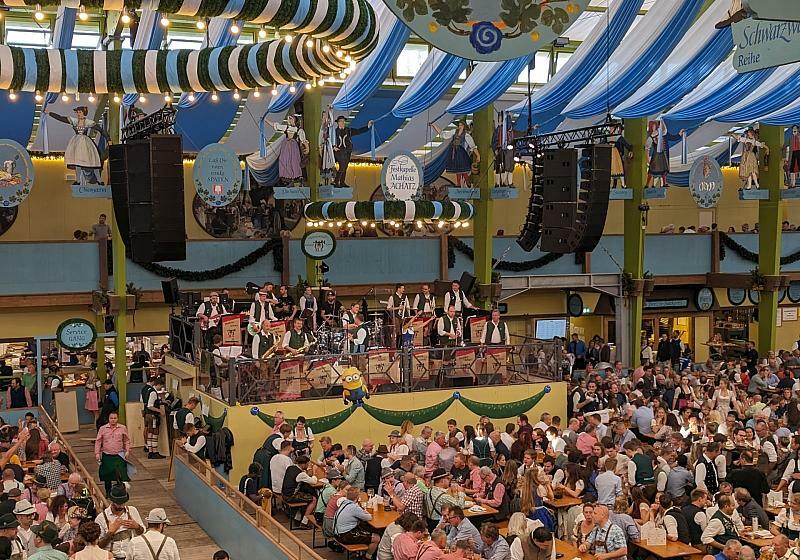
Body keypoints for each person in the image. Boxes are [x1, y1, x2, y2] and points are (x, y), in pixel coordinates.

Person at [43, 106, 109, 185]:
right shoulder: (74, 121)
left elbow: (101, 130)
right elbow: (60, 118)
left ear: (84, 113)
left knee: (92, 162)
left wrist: (108, 139)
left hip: (85, 143)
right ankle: (78, 181)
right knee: (77, 161)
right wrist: (49, 113)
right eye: (77, 112)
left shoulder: (88, 122)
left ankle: (99, 180)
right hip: (76, 143)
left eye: (80, 112)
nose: (78, 114)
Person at [96, 485, 144, 560]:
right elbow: (98, 545)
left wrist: (137, 526)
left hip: (129, 557)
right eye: (119, 503)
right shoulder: (101, 518)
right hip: (110, 558)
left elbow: (142, 532)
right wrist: (110, 533)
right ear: (112, 501)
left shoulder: (132, 511)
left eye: (123, 503)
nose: (122, 506)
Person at [429, 121, 479, 187]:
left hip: (461, 153)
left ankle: (467, 180)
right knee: (457, 168)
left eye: (461, 125)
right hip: (454, 152)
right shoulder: (454, 131)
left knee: (463, 167)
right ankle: (459, 183)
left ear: (464, 126)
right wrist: (434, 125)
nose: (460, 127)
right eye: (459, 125)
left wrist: (478, 155)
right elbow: (444, 135)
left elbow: (472, 146)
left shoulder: (466, 135)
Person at [332, 487, 379, 556]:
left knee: (365, 528)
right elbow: (369, 517)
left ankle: (362, 552)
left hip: (337, 533)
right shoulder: (354, 507)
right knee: (376, 538)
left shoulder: (344, 503)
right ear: (357, 497)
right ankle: (367, 557)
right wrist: (366, 512)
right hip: (344, 536)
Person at [329, 115, 373, 187]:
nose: (342, 122)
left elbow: (358, 131)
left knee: (345, 167)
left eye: (343, 121)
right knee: (342, 166)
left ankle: (342, 182)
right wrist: (333, 147)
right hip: (339, 151)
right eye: (341, 121)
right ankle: (336, 181)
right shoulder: (335, 132)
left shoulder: (348, 130)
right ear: (338, 123)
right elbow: (330, 140)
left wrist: (367, 126)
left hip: (347, 151)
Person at [140, 378, 166, 460]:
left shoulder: (146, 389)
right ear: (158, 384)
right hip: (152, 415)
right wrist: (160, 410)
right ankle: (154, 452)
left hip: (147, 415)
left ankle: (150, 451)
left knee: (150, 433)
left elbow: (142, 401)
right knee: (155, 434)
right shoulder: (153, 392)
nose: (160, 388)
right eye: (161, 386)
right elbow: (150, 406)